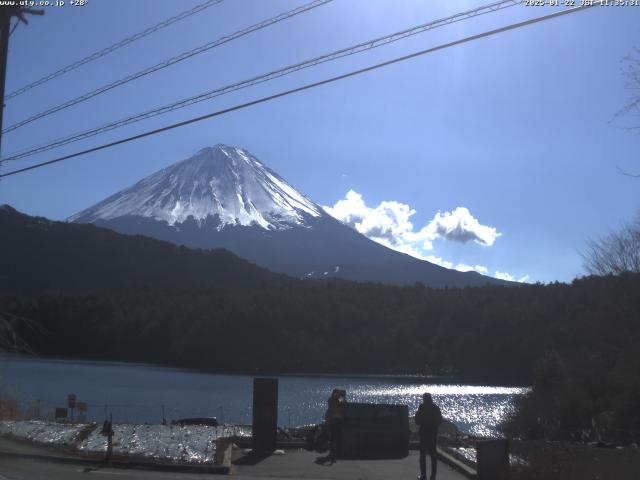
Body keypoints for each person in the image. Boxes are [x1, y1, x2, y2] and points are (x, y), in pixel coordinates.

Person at [415, 392, 442, 480]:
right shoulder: (435, 408)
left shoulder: (422, 407)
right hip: (432, 435)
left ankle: (423, 476)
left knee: (422, 456)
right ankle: (433, 476)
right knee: (433, 456)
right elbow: (439, 421)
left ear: (424, 399)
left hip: (423, 434)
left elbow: (417, 421)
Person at [325, 388, 346, 461]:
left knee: (336, 436)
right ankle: (334, 451)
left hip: (336, 420)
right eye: (336, 393)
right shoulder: (333, 400)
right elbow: (335, 402)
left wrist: (342, 397)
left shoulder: (337, 400)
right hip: (335, 420)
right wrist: (340, 394)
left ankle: (335, 451)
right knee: (334, 436)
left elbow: (343, 404)